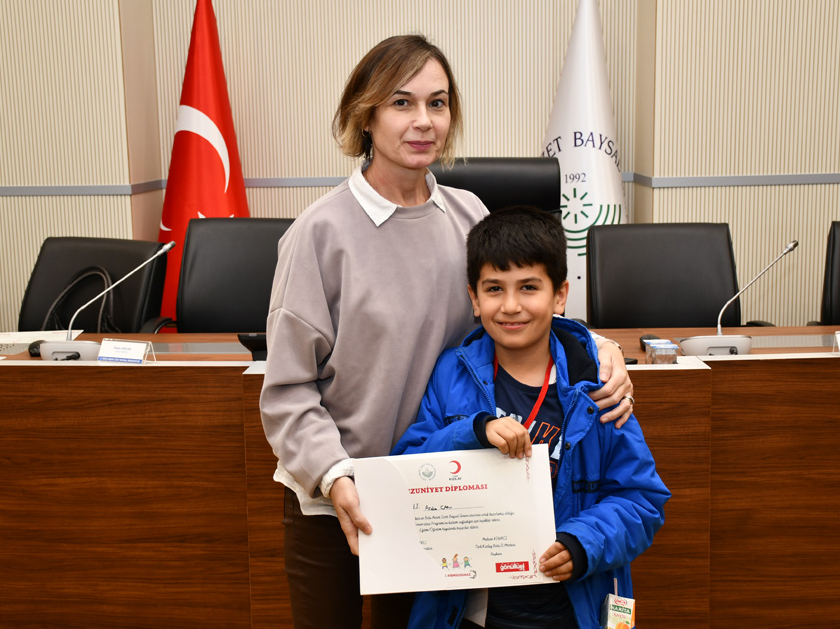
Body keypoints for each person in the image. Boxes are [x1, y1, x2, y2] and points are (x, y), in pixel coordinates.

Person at [258, 34, 636, 629]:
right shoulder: (318, 233)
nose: (424, 121)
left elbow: (512, 315)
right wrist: (335, 476)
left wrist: (599, 345)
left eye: (437, 103)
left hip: (437, 497)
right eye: (401, 103)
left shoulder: (468, 215)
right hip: (334, 496)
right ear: (366, 115)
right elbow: (286, 390)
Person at [393, 206, 670, 629]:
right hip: (466, 613)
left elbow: (642, 499)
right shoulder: (452, 374)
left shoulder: (597, 386)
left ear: (560, 295)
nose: (510, 306)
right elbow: (407, 472)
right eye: (494, 289)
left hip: (571, 612)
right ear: (474, 298)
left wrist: (583, 543)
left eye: (528, 287)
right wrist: (473, 431)